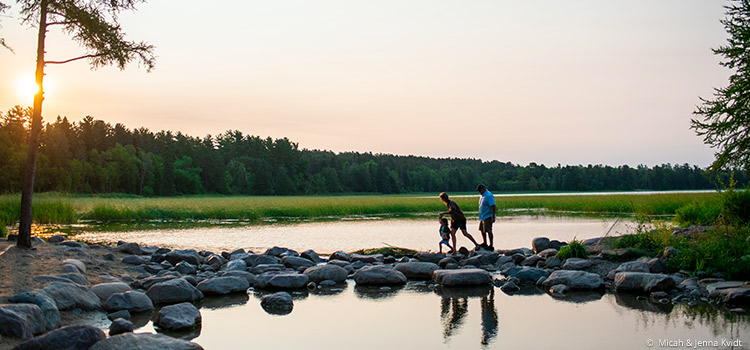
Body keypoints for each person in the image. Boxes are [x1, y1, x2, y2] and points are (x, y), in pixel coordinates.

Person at [476, 184, 496, 250]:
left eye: (480, 190)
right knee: (482, 230)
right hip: (482, 216)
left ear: (484, 189)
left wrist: (493, 217)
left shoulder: (489, 195)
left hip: (488, 216)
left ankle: (491, 245)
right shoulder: (482, 196)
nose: (479, 192)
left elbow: (493, 206)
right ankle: (485, 243)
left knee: (488, 230)